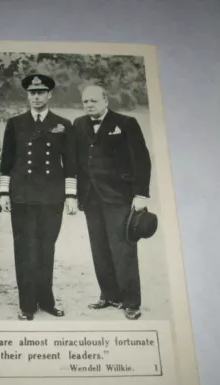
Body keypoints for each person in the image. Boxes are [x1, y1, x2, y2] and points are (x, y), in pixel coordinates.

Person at [0, 73, 78, 321]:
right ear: (27, 95)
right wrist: (3, 192)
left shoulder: (63, 123)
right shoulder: (15, 123)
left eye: (41, 92)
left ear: (49, 95)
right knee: (25, 250)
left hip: (51, 197)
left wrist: (71, 195)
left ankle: (46, 300)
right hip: (22, 196)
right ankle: (27, 305)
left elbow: (71, 162)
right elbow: (7, 161)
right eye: (32, 93)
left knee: (46, 249)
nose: (36, 96)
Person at [72, 85, 152, 320]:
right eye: (85, 101)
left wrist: (140, 195)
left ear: (106, 100)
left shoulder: (126, 123)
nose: (89, 105)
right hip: (90, 197)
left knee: (123, 249)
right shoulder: (78, 124)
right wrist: (75, 194)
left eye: (94, 101)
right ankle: (108, 295)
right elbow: (76, 160)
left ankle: (131, 302)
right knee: (99, 248)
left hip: (119, 197)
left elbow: (141, 160)